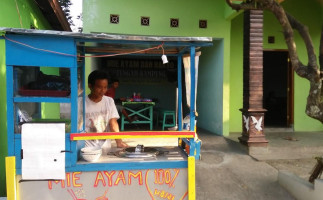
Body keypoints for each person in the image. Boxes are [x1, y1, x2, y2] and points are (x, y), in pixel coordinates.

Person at [85, 70, 128, 151]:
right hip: (86, 149)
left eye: (105, 87)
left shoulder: (109, 101)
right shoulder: (80, 103)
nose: (103, 91)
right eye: (99, 87)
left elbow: (113, 122)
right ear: (90, 86)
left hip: (105, 148)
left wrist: (119, 141)